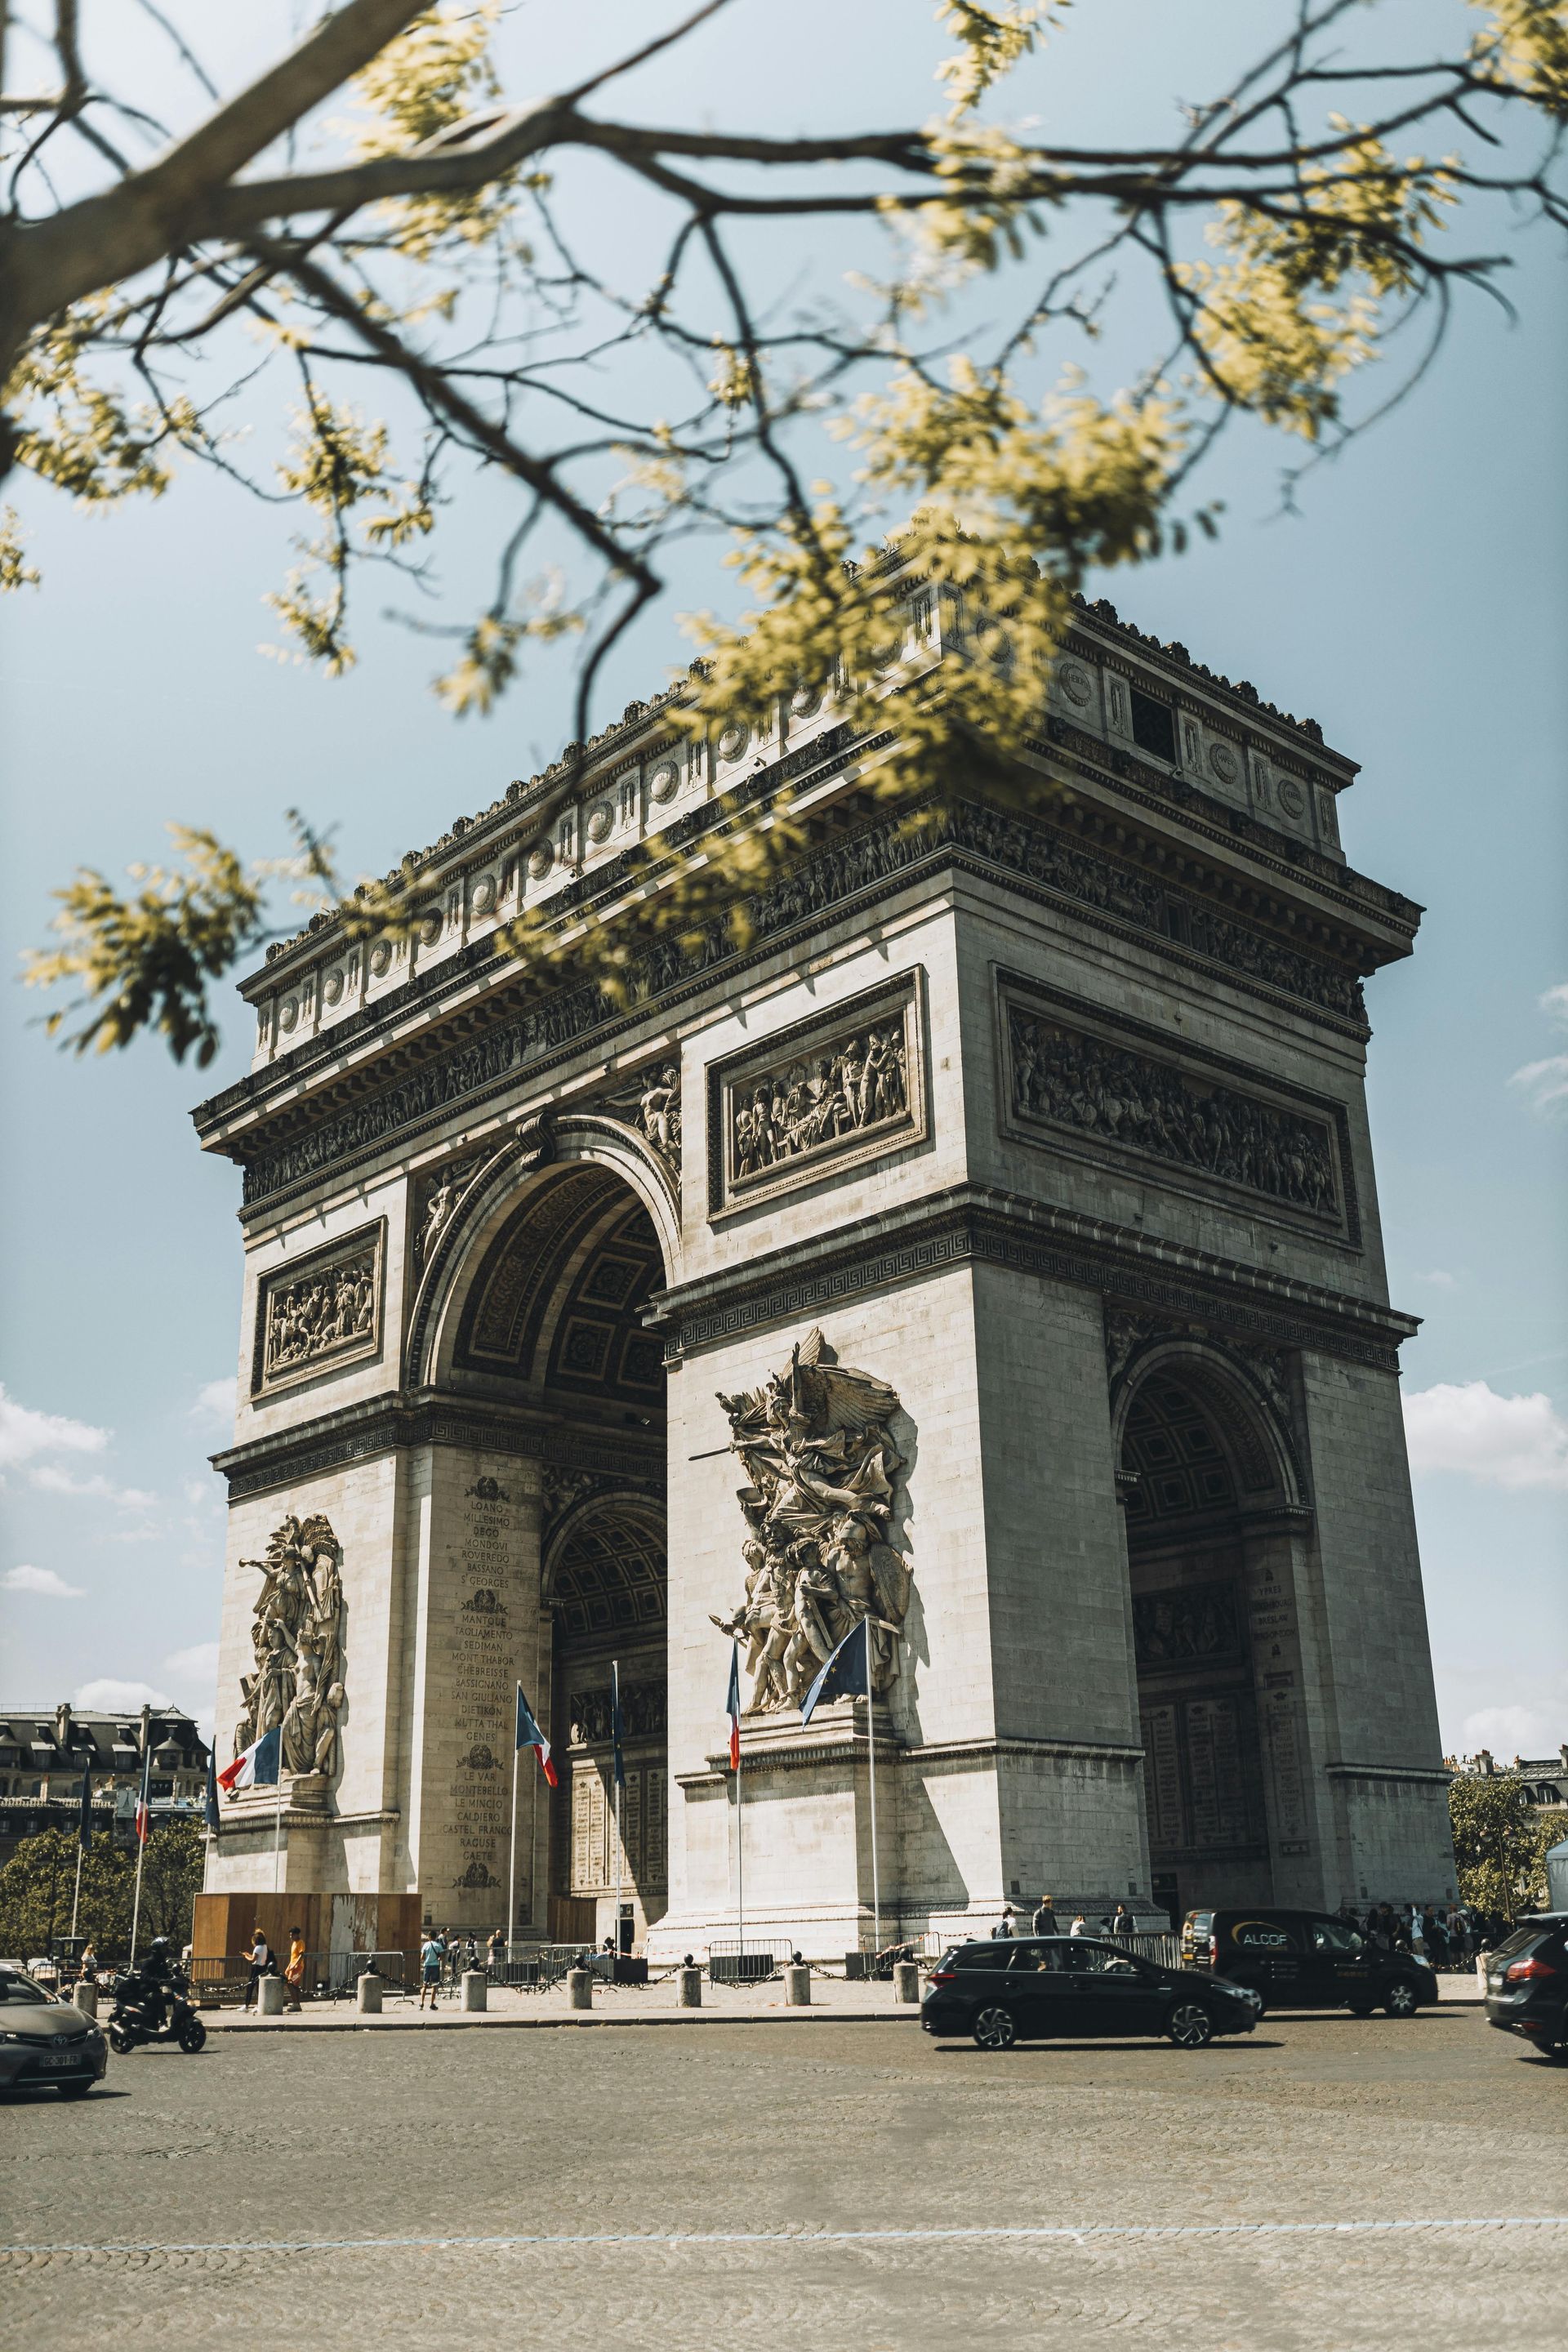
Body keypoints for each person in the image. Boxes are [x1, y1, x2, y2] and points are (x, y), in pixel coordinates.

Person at [243, 1927, 273, 2011]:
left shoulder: (257, 1948)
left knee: (250, 1987)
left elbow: (253, 1959)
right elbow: (257, 1957)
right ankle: (259, 2005)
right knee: (259, 1988)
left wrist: (246, 1957)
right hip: (262, 1967)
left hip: (256, 1968)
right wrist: (248, 1954)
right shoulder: (264, 1947)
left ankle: (246, 2005)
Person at [418, 1930, 445, 2009]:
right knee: (434, 1986)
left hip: (427, 1966)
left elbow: (422, 1957)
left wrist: (427, 1959)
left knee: (424, 1985)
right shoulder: (438, 1945)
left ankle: (422, 2003)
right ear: (436, 1937)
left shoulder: (426, 1945)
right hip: (435, 1966)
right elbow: (441, 1957)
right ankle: (432, 2004)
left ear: (429, 1937)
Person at [283, 1926, 306, 2011]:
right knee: (294, 1985)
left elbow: (301, 1955)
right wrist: (289, 1966)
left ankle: (295, 2004)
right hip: (293, 1967)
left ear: (297, 1935)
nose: (291, 1937)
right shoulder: (294, 1943)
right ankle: (297, 2004)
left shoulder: (300, 1942)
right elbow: (293, 1957)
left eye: (292, 1935)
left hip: (298, 1967)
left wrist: (294, 1965)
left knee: (291, 1984)